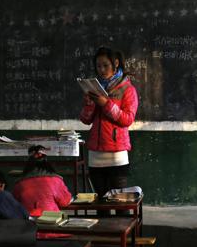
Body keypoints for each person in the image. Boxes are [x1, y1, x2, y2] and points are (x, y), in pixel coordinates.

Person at [79, 46, 138, 215]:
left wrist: (106, 104)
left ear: (116, 64)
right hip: (95, 156)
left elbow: (127, 119)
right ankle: (103, 241)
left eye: (105, 65)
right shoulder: (94, 88)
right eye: (98, 66)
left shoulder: (128, 90)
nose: (102, 70)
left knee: (121, 208)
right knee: (101, 208)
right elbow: (85, 119)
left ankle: (123, 241)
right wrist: (90, 104)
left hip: (116, 156)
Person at [12, 146, 72, 216]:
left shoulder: (20, 183)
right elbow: (65, 202)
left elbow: (14, 205)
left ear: (28, 162)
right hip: (51, 220)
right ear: (46, 162)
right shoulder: (56, 180)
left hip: (27, 221)